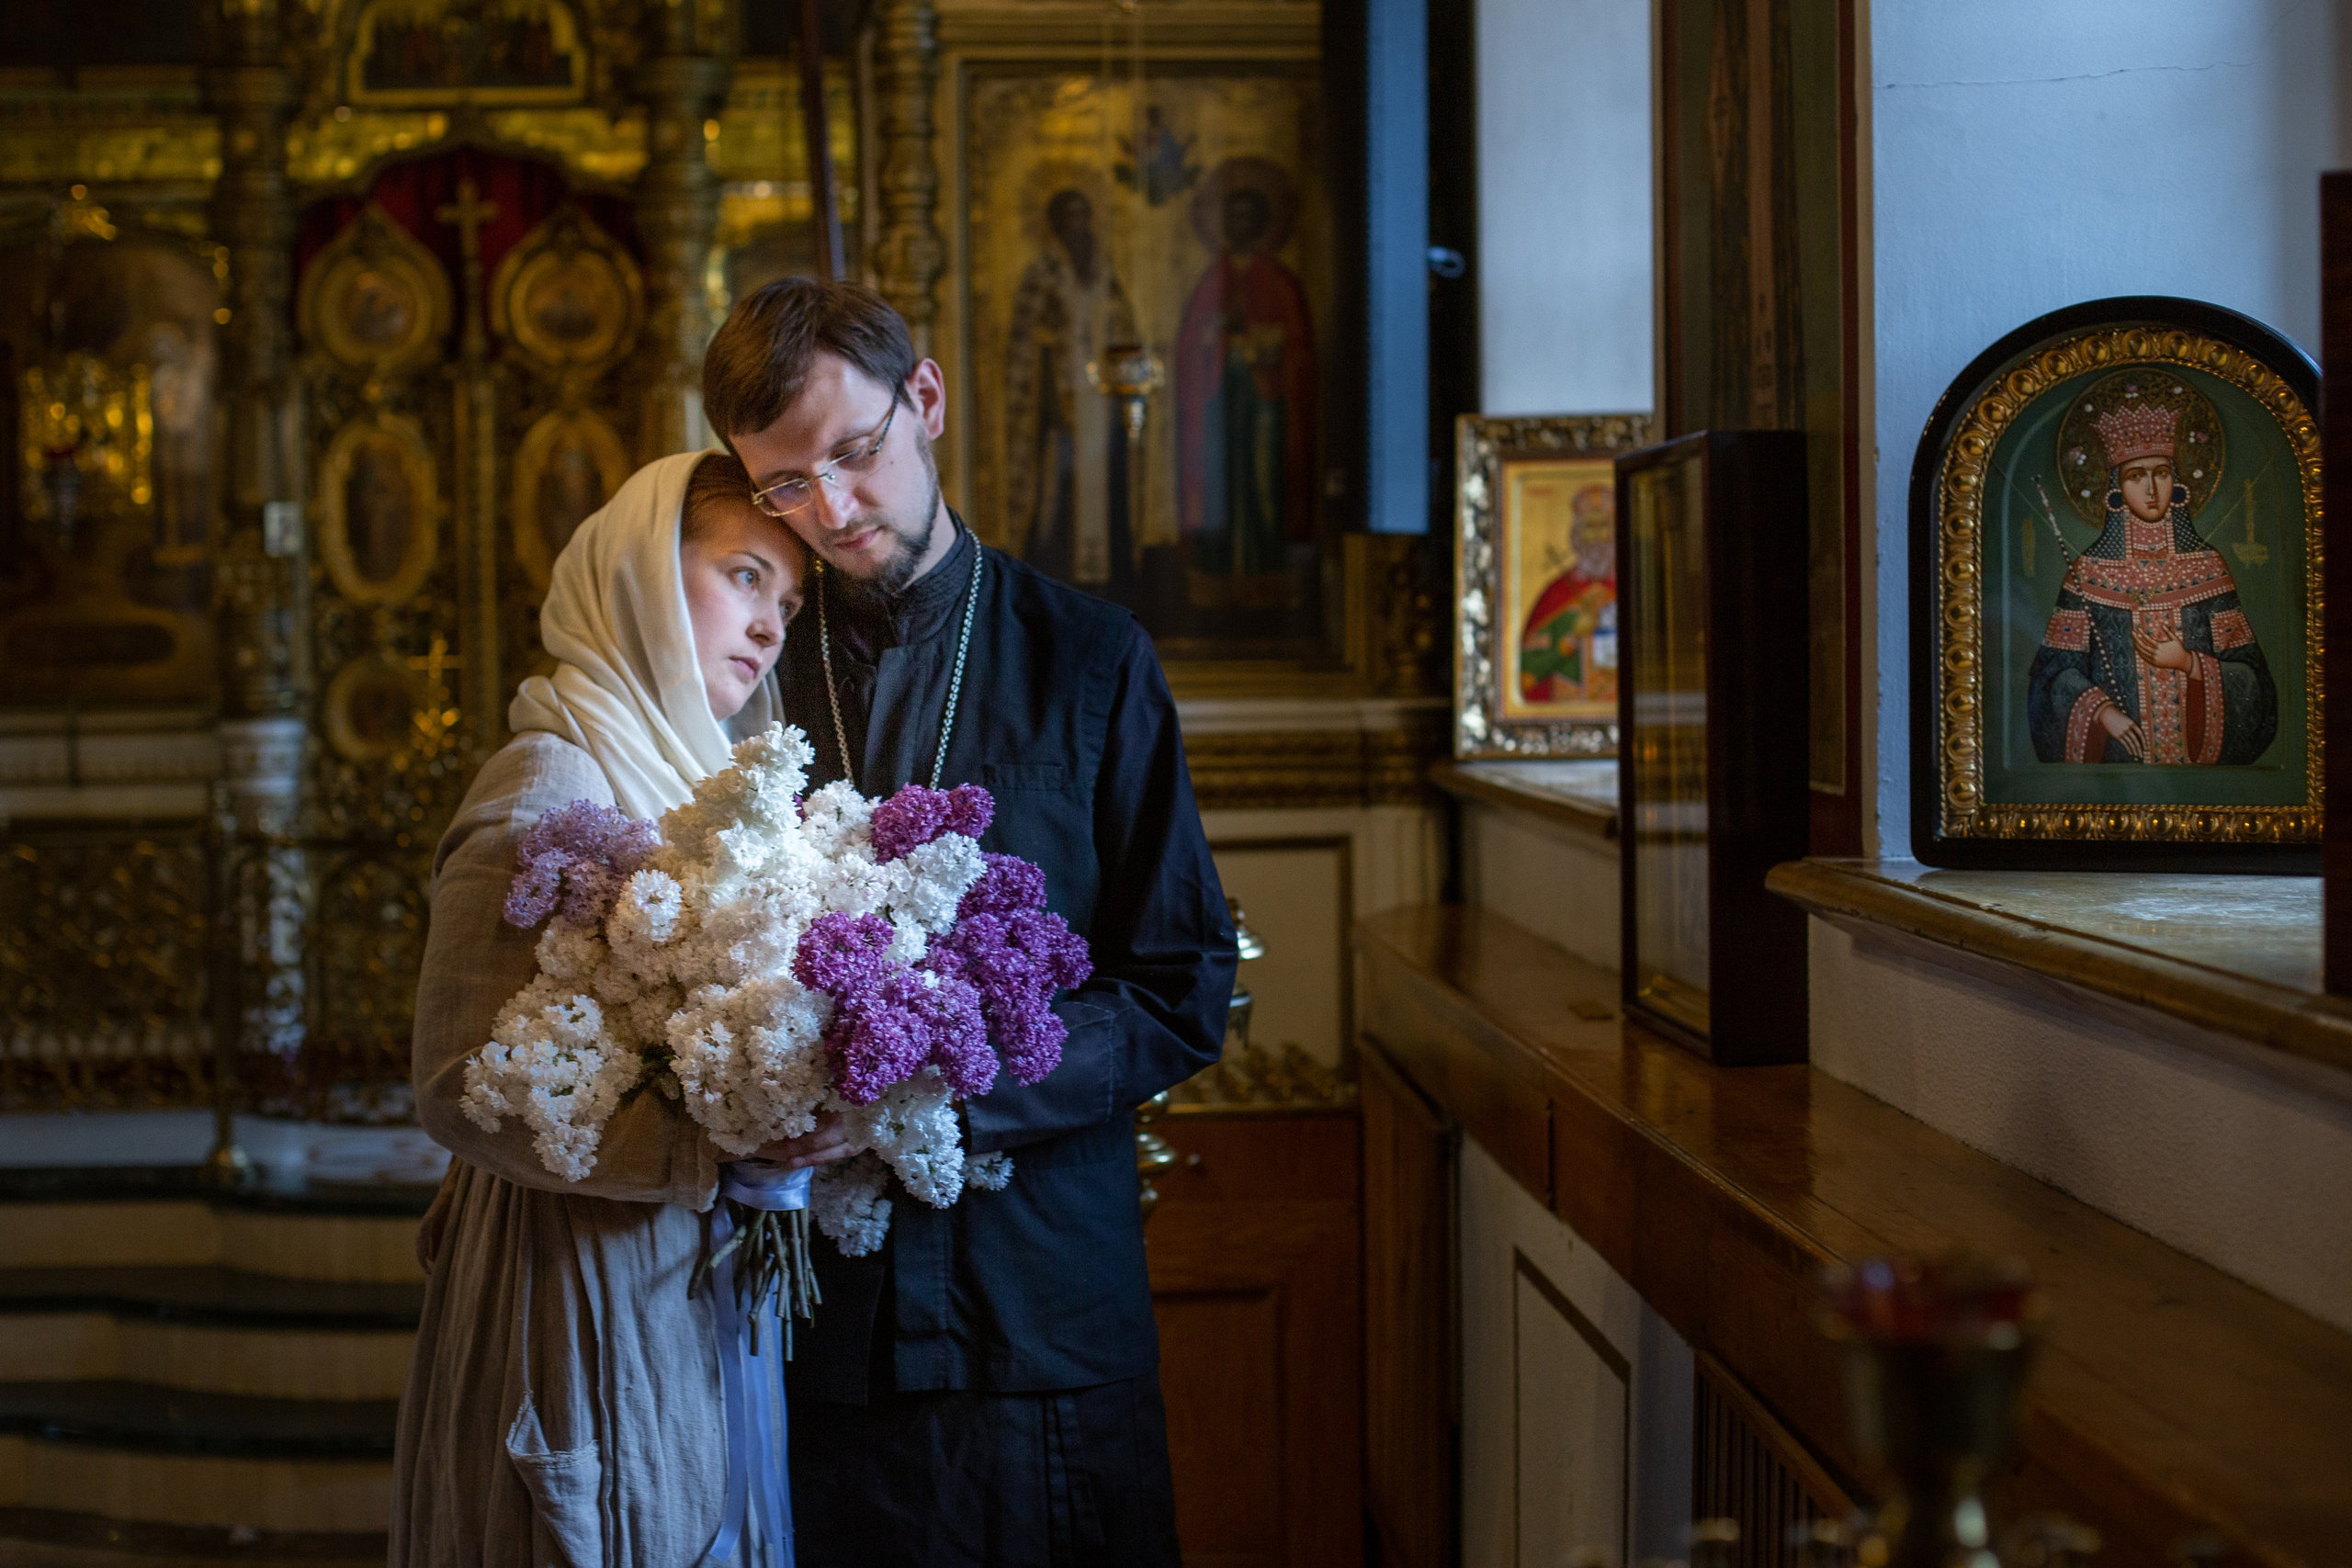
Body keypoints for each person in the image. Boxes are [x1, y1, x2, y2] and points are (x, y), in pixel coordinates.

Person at [707, 277, 1236, 1565]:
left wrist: (930, 1094)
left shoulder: (1091, 657)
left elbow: (1180, 988)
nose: (829, 510)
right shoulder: (748, 666)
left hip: (1037, 1314)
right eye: (782, 485)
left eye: (854, 452)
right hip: (811, 1328)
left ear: (925, 399)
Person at [391, 449, 816, 1564]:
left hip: (676, 1279)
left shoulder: (691, 779)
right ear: (635, 573)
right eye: (744, 575)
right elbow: (453, 1083)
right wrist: (716, 1146)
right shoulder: (553, 781)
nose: (771, 624)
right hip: (566, 1288)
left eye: (788, 598)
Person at [2026, 400, 2278, 765]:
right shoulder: (2088, 574)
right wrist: (2101, 712)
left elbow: (2254, 684)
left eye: (2160, 473)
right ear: (2116, 488)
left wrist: (2189, 663)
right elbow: (2052, 677)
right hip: (2116, 779)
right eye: (2135, 476)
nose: (2151, 488)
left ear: (2175, 482)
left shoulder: (2208, 568)